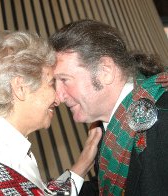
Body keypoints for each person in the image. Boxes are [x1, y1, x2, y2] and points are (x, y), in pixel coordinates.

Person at [0, 31, 102, 195]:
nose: (58, 99)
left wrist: (83, 163)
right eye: (50, 84)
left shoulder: (6, 152)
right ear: (20, 88)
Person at [49, 19, 168, 196]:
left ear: (105, 71)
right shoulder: (110, 131)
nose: (58, 96)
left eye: (64, 80)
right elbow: (104, 189)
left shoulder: (164, 121)